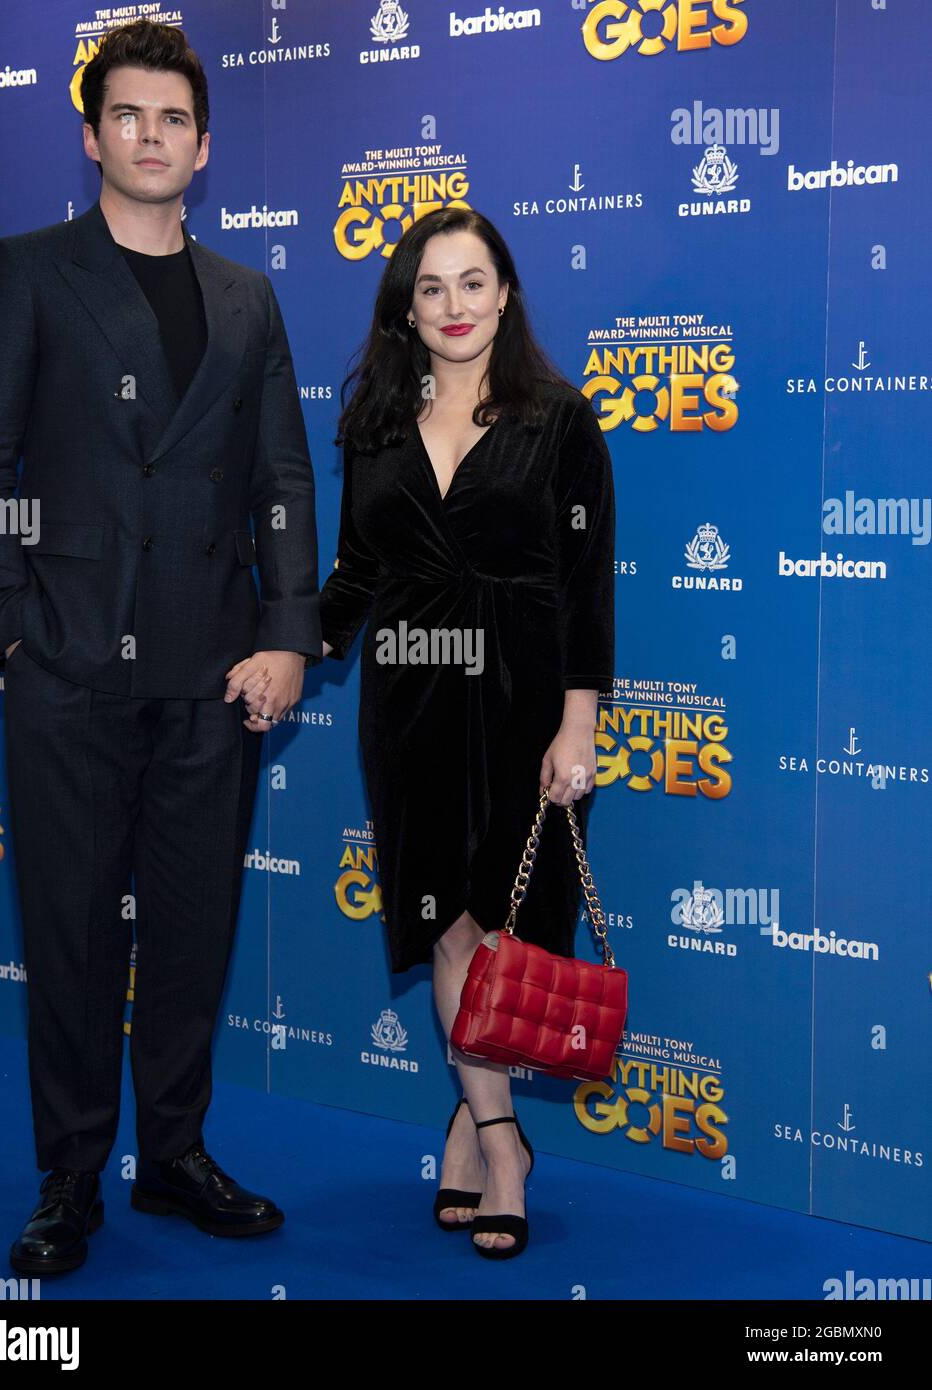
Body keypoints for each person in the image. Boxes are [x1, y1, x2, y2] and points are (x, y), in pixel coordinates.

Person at [0, 19, 321, 1274]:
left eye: (172, 120)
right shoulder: (28, 273)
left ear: (202, 146)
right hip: (68, 674)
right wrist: (10, 626)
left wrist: (285, 637)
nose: (150, 137)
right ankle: (68, 1177)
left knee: (193, 928)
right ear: (92, 133)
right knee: (68, 932)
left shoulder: (247, 297)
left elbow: (280, 478)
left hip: (216, 679)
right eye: (128, 116)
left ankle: (172, 1157)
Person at [263, 206, 616, 1259]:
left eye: (473, 283)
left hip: (522, 701)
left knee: (508, 931)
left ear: (503, 295)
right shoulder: (372, 423)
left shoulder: (558, 419)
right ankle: (502, 1140)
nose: (454, 306)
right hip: (410, 701)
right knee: (449, 930)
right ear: (405, 310)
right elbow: (359, 574)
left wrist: (577, 726)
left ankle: (473, 1120)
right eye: (431, 287)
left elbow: (585, 589)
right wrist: (288, 650)